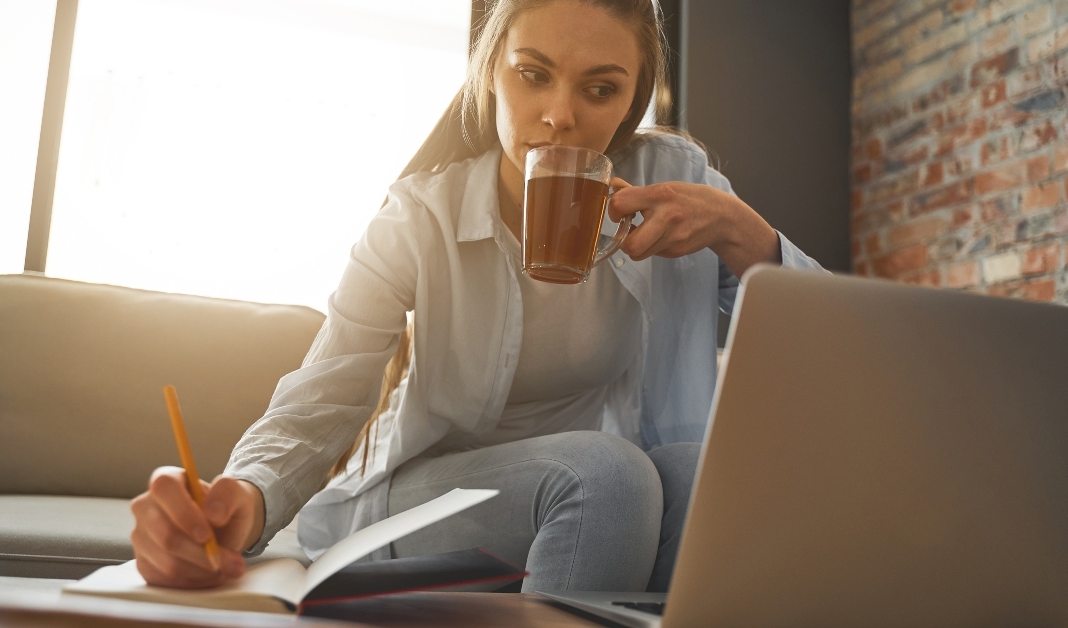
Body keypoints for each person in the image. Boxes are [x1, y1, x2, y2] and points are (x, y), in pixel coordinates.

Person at [129, 0, 823, 593]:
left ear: (631, 101)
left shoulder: (672, 184)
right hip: (420, 497)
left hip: (590, 498)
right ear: (490, 71)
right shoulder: (418, 217)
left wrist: (743, 233)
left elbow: (838, 352)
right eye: (533, 75)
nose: (559, 116)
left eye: (600, 90)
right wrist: (243, 498)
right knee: (606, 476)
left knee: (697, 476)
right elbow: (324, 398)